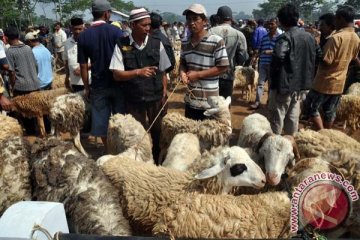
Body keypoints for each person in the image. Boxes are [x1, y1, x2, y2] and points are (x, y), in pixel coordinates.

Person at [110, 8, 171, 164]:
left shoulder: (157, 44)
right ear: (133, 25)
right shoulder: (121, 45)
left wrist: (164, 92)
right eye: (144, 25)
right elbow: (117, 74)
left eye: (149, 24)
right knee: (137, 137)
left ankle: (158, 164)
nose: (148, 28)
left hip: (156, 99)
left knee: (159, 135)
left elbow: (163, 71)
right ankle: (141, 167)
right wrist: (138, 72)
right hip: (133, 101)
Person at [303, 5, 360, 130]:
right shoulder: (356, 38)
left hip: (324, 82)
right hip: (339, 83)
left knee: (310, 107)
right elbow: (353, 59)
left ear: (341, 19)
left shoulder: (336, 38)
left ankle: (322, 132)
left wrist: (317, 46)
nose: (334, 22)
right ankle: (328, 133)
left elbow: (326, 62)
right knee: (329, 112)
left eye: (336, 19)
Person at [78, 0, 124, 149]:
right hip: (118, 83)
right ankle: (120, 148)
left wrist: (87, 87)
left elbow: (83, 66)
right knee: (120, 120)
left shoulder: (83, 36)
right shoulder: (116, 32)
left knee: (102, 122)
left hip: (98, 85)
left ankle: (108, 150)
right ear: (106, 14)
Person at [268, 4, 318, 136]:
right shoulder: (310, 37)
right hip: (301, 86)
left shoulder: (285, 38)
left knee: (277, 118)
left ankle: (274, 145)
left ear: (281, 21)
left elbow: (278, 56)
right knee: (293, 118)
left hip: (284, 86)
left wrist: (273, 78)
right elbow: (319, 55)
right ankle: (290, 146)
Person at [180, 3, 229, 120]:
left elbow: (223, 67)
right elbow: (182, 63)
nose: (191, 22)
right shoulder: (185, 42)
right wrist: (182, 73)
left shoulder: (216, 41)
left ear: (204, 21)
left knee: (208, 136)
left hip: (210, 104)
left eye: (195, 19)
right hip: (191, 100)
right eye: (189, 19)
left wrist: (198, 75)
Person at [5, 27, 40, 135]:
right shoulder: (28, 48)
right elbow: (35, 65)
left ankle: (31, 136)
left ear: (6, 38)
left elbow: (12, 72)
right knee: (37, 110)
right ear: (18, 36)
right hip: (35, 83)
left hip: (21, 87)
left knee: (26, 113)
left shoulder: (10, 51)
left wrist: (12, 86)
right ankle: (43, 132)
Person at [209, 5, 248, 100]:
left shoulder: (210, 32)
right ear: (231, 18)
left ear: (218, 18)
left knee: (211, 105)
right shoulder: (239, 35)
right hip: (228, 75)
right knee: (225, 105)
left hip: (210, 74)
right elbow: (242, 57)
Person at [250, 18, 280, 109]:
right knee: (260, 83)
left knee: (271, 85)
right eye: (269, 24)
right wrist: (255, 57)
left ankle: (269, 102)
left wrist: (270, 51)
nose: (270, 26)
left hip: (273, 65)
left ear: (277, 25)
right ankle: (257, 102)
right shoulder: (265, 37)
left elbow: (280, 51)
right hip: (263, 63)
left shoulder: (280, 38)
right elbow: (260, 49)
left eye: (272, 24)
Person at [64, 17, 91, 92]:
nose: (77, 31)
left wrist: (84, 68)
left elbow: (97, 61)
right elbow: (66, 62)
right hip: (74, 82)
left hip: (89, 81)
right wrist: (67, 78)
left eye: (80, 29)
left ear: (83, 28)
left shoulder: (90, 41)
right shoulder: (67, 43)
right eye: (75, 29)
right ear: (71, 29)